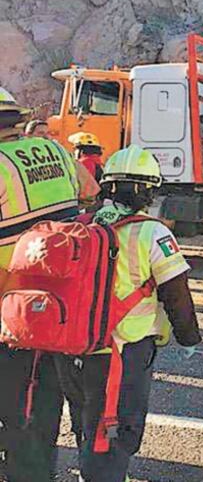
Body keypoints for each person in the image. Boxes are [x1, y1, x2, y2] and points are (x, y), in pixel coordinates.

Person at [56, 145, 201, 482]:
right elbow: (176, 294)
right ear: (147, 191)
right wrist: (188, 336)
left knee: (85, 425)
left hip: (74, 348)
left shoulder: (82, 225)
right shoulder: (153, 233)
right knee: (116, 432)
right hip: (123, 354)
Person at [0, 88, 82, 482]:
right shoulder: (57, 151)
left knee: (15, 400)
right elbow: (90, 190)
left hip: (9, 303)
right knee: (44, 398)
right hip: (58, 303)